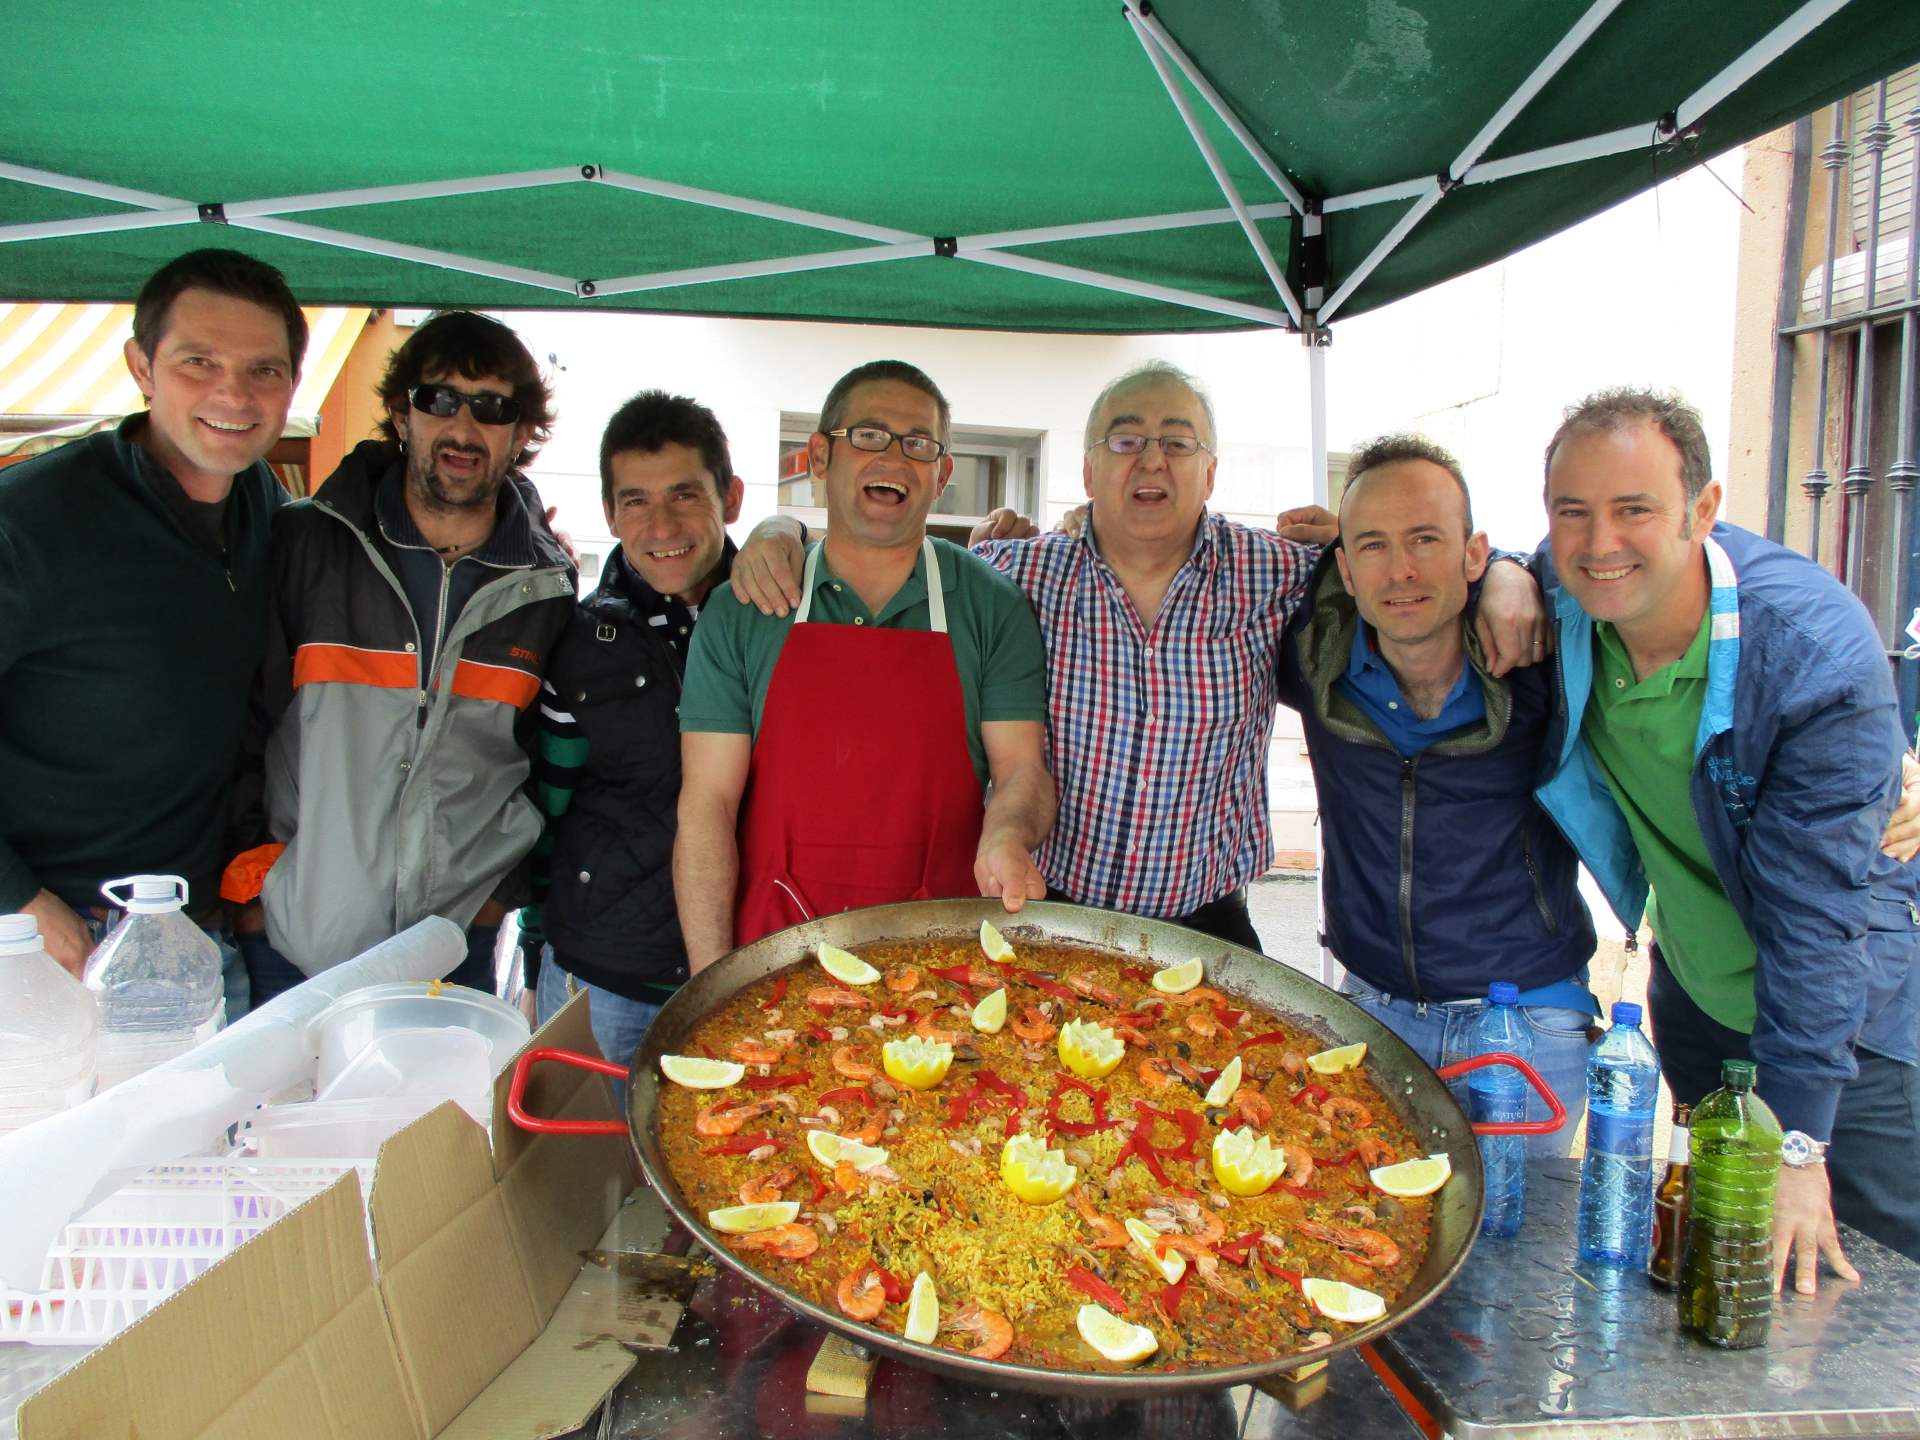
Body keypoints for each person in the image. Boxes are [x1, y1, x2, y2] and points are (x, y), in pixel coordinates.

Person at [729, 361, 1544, 950]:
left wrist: (1506, 569)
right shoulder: (1018, 574)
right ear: (1088, 470)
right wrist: (782, 528)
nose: (1151, 459)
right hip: (1049, 912)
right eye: (1125, 441)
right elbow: (887, 550)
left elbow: (1409, 553)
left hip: (1208, 924)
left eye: (1177, 443)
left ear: (1211, 472)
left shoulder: (1278, 573)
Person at [1535, 386, 1920, 1283]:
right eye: (1572, 513)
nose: (1599, 543)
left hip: (1844, 1050)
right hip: (1703, 1012)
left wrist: (1799, 1146)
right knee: (1719, 1285)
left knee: (1871, 1306)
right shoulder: (1562, 598)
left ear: (1703, 510)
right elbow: (1437, 569)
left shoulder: (1809, 658)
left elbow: (1822, 927)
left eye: (1635, 511)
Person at [226, 311, 574, 1005]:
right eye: (439, 398)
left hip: (449, 950)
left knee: (434, 1122)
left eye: (493, 407)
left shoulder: (547, 590)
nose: (463, 427)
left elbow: (544, 764)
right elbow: (237, 720)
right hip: (292, 946)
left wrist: (496, 897)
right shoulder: (306, 545)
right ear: (401, 412)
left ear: (521, 431)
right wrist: (255, 884)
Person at [0, 248, 304, 1015]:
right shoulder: (31, 519)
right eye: (198, 361)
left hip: (195, 931)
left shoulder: (264, 503)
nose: (233, 393)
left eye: (264, 369)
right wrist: (23, 903)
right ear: (141, 365)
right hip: (51, 939)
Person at [674, 360, 1053, 970]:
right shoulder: (744, 606)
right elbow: (707, 805)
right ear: (820, 456)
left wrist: (1008, 835)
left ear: (942, 473)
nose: (894, 458)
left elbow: (1021, 772)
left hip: (941, 954)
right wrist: (709, 982)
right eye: (869, 436)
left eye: (919, 444)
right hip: (773, 950)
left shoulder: (993, 605)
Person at [1279, 435, 1597, 1154]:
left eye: (1425, 538)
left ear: (1473, 553)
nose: (1401, 569)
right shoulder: (1312, 659)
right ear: (1347, 572)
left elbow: (1641, 566)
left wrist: (1519, 569)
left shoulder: (1544, 662)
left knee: (1513, 1253)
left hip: (1526, 1024)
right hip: (1376, 1012)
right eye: (1373, 545)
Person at [522, 390, 746, 1065]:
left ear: (730, 498)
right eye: (635, 500)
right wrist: (538, 944)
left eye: (685, 494)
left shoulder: (783, 621)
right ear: (609, 513)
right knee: (588, 1169)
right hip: (605, 979)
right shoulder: (580, 641)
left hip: (751, 966)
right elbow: (546, 811)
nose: (661, 524)